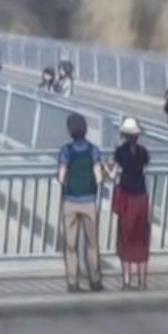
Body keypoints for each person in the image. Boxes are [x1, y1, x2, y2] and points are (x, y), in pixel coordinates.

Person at [58, 113, 104, 293]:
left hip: (70, 201)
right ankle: (95, 279)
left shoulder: (66, 150)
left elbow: (61, 177)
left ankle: (72, 281)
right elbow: (99, 178)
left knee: (71, 245)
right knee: (92, 244)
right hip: (89, 201)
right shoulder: (93, 150)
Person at [110, 117, 151, 290]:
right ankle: (142, 281)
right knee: (141, 239)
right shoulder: (143, 152)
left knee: (126, 238)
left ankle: (127, 281)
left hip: (127, 198)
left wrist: (107, 170)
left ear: (124, 135)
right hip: (141, 197)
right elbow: (144, 169)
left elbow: (114, 174)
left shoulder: (120, 152)